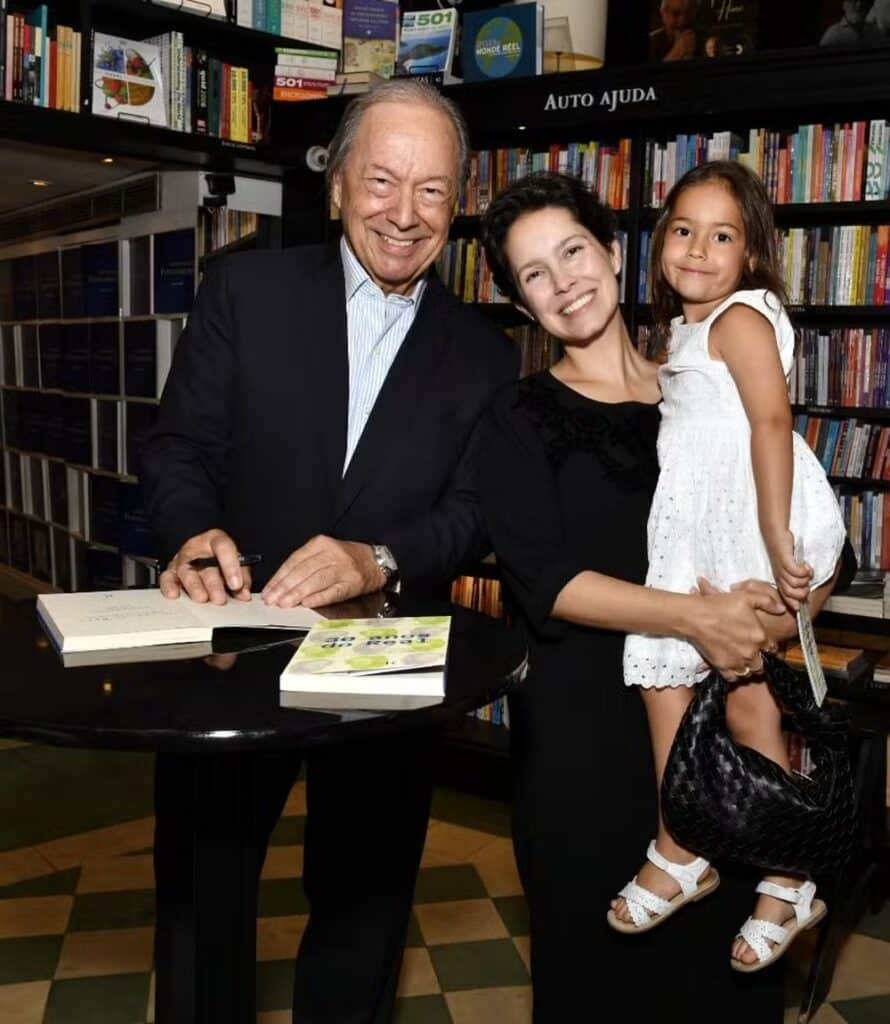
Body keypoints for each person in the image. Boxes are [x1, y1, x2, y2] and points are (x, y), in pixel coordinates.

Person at [140, 79, 518, 1023]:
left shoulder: (484, 353)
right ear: (339, 184)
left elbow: (476, 512)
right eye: (383, 180)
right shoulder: (244, 290)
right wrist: (191, 533)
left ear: (458, 205)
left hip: (385, 666)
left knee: (364, 912)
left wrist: (378, 558)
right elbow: (178, 448)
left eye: (433, 190)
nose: (404, 212)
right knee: (201, 901)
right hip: (231, 647)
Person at [474, 171, 851, 1021]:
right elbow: (545, 582)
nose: (563, 279)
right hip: (585, 759)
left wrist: (779, 612)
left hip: (730, 752)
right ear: (520, 301)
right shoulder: (517, 418)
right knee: (598, 991)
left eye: (573, 250)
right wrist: (696, 618)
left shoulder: (706, 383)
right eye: (534, 273)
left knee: (722, 995)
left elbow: (820, 531)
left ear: (614, 252)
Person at [614, 160, 845, 971]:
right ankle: (684, 842)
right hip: (697, 537)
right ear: (660, 242)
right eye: (683, 230)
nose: (699, 250)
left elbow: (773, 419)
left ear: (751, 255)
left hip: (753, 526)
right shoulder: (684, 332)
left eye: (722, 235)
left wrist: (778, 537)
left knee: (751, 707)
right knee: (663, 675)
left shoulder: (742, 318)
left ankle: (789, 876)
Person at [820, 0, 884, 46]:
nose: (859, 5)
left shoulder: (874, 31)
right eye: (854, 1)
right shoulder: (833, 34)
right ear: (844, 5)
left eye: (862, 0)